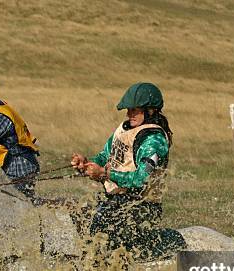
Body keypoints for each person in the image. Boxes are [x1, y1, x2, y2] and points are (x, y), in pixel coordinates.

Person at [71, 82, 186, 260]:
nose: (129, 114)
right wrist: (87, 164)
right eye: (129, 110)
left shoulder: (154, 141)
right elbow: (105, 156)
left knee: (106, 237)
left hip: (141, 206)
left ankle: (170, 243)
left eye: (135, 110)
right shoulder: (125, 129)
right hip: (116, 200)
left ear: (151, 111)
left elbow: (141, 178)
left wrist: (104, 174)